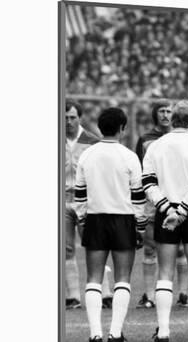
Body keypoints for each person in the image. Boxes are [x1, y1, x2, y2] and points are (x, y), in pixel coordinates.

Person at [142, 100, 188, 342]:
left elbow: (149, 184)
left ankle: (163, 332)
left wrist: (168, 209)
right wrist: (182, 210)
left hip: (165, 211)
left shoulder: (155, 147)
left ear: (173, 120)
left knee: (164, 271)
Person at [75, 107, 147, 342]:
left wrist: (83, 221)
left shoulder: (87, 155)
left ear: (100, 127)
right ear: (122, 128)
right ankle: (115, 334)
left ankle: (95, 334)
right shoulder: (129, 157)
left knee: (93, 278)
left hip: (95, 218)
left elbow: (80, 195)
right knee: (122, 278)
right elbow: (138, 197)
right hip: (123, 219)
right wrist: (140, 226)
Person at [65, 99, 114, 310]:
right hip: (63, 202)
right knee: (66, 249)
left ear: (80, 118)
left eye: (72, 117)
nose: (68, 122)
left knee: (95, 246)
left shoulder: (92, 141)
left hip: (85, 201)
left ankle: (105, 292)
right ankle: (73, 296)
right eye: (65, 118)